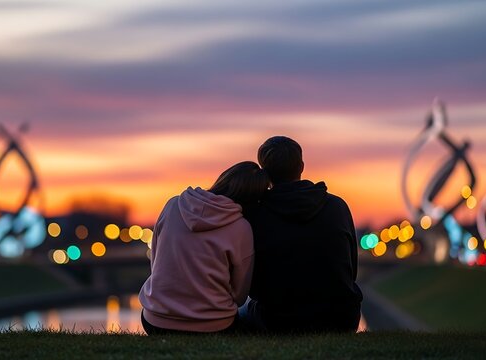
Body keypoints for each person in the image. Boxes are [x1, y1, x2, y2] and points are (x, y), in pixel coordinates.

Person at [239, 136, 363, 333]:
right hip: (341, 320)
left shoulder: (255, 213)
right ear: (301, 166)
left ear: (264, 172)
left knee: (241, 310)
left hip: (276, 321)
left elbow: (252, 286)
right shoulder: (337, 206)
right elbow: (351, 271)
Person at [139, 161, 270, 334]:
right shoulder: (241, 228)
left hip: (156, 322)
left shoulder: (173, 205)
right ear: (254, 199)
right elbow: (239, 296)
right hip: (214, 326)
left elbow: (156, 263)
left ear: (224, 179)